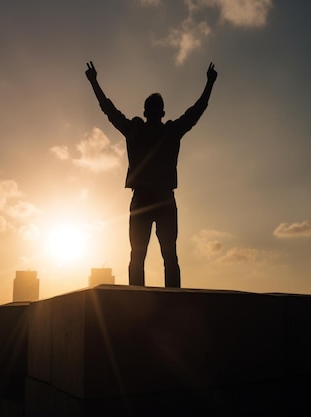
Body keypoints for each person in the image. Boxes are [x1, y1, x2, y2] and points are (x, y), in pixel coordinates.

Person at [85, 61, 217, 288]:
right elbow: (196, 112)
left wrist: (94, 82)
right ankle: (171, 299)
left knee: (139, 256)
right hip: (163, 198)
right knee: (169, 256)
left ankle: (139, 298)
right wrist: (209, 83)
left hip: (145, 198)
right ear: (161, 112)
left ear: (145, 112)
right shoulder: (169, 131)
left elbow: (109, 110)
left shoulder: (137, 131)